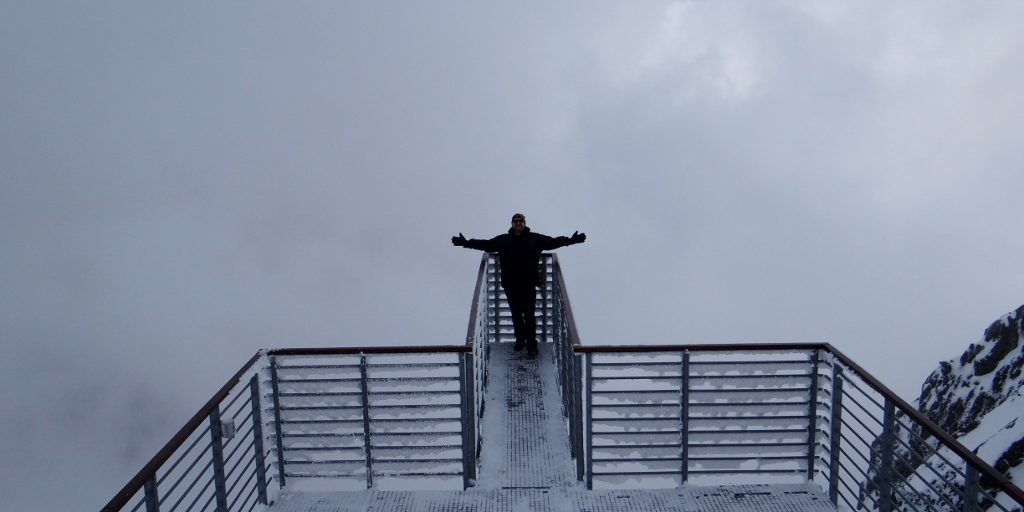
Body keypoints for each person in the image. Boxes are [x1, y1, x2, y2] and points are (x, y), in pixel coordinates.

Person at [452, 213, 586, 356]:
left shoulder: (535, 239)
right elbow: (486, 244)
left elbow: (553, 242)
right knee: (516, 315)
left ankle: (532, 345)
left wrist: (571, 240)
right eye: (515, 221)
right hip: (511, 284)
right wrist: (466, 243)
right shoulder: (503, 240)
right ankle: (520, 340)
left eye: (520, 221)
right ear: (512, 224)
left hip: (529, 283)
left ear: (524, 223)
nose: (518, 223)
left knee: (529, 315)